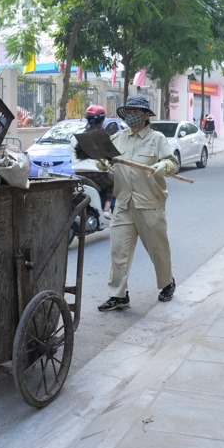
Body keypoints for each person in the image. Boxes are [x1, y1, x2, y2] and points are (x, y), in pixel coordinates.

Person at [96, 94, 179, 311]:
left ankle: (167, 283)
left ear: (145, 115)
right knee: (118, 251)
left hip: (150, 203)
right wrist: (103, 163)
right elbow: (106, 157)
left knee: (157, 249)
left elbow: (172, 163)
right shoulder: (118, 138)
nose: (131, 116)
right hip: (123, 203)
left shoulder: (157, 138)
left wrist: (166, 166)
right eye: (129, 113)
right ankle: (118, 295)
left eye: (136, 113)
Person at [71, 105, 114, 217]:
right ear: (102, 120)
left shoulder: (76, 136)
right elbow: (110, 159)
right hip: (97, 174)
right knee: (113, 183)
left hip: (78, 173)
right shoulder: (103, 137)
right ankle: (107, 209)